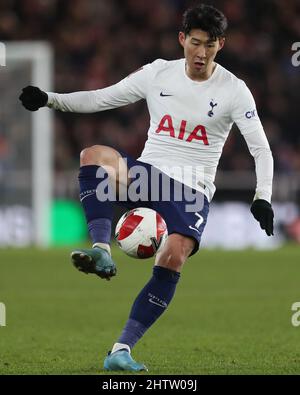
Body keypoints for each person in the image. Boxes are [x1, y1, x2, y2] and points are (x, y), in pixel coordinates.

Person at [19, 3, 274, 372]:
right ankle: (101, 249)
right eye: (196, 43)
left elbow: (261, 149)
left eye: (211, 45)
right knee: (93, 155)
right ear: (182, 39)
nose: (201, 53)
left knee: (173, 257)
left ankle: (120, 350)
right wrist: (50, 99)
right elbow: (101, 97)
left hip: (191, 190)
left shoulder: (235, 90)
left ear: (222, 44)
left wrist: (262, 197)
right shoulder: (158, 73)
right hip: (149, 173)